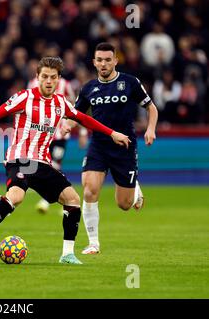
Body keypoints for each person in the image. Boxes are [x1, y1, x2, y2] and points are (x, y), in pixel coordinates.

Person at [0, 57, 130, 265]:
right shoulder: (23, 98)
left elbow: (84, 119)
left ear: (59, 79)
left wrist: (112, 133)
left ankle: (67, 254)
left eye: (53, 77)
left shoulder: (61, 103)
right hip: (20, 159)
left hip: (42, 163)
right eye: (44, 77)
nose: (49, 81)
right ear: (37, 77)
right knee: (15, 197)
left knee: (72, 200)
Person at [63, 42, 158, 255]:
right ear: (94, 62)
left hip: (124, 147)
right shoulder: (88, 88)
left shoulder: (130, 82)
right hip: (99, 146)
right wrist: (66, 125)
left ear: (115, 60)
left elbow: (151, 107)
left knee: (123, 204)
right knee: (89, 190)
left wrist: (151, 129)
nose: (104, 64)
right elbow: (75, 115)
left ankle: (134, 188)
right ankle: (93, 243)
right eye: (100, 60)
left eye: (108, 59)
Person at [27, 74, 89, 214]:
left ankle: (47, 201)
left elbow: (76, 109)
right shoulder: (32, 84)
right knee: (42, 167)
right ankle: (66, 200)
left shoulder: (65, 85)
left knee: (55, 165)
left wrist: (83, 132)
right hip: (39, 135)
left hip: (60, 134)